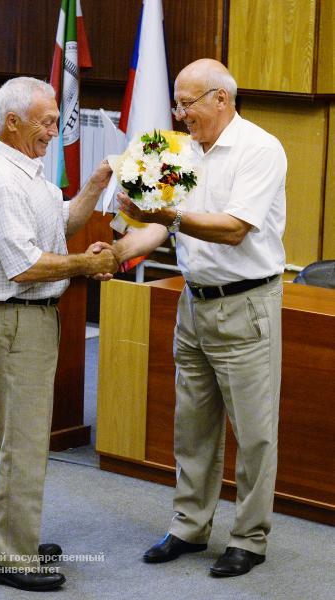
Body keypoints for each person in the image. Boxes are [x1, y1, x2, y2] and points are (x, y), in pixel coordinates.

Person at [104, 58, 287, 577]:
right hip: (194, 302)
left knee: (253, 433)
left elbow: (233, 229)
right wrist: (116, 254)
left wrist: (167, 215)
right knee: (192, 424)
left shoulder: (259, 148)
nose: (180, 115)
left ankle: (249, 538)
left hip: (246, 304)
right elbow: (155, 228)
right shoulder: (177, 152)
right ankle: (189, 525)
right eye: (177, 104)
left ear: (221, 99)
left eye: (189, 104)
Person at [0, 76, 118, 591]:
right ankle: (10, 558)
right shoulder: (1, 181)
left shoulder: (28, 171)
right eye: (47, 121)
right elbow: (25, 265)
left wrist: (95, 186)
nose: (56, 130)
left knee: (18, 440)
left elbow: (61, 223)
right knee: (25, 445)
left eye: (57, 119)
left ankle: (6, 536)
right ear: (12, 122)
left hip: (30, 323)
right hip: (16, 322)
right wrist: (85, 264)